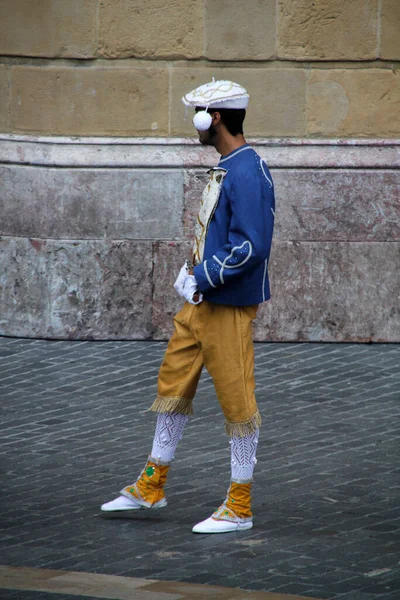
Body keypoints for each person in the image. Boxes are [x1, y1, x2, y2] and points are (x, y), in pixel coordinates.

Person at [101, 79, 275, 534]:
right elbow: (217, 233)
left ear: (213, 118)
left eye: (197, 112)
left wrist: (203, 274)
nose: (193, 121)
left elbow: (251, 246)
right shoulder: (229, 165)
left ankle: (240, 505)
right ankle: (152, 485)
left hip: (228, 305)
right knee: (173, 384)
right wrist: (190, 269)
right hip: (202, 303)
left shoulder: (247, 170)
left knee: (238, 403)